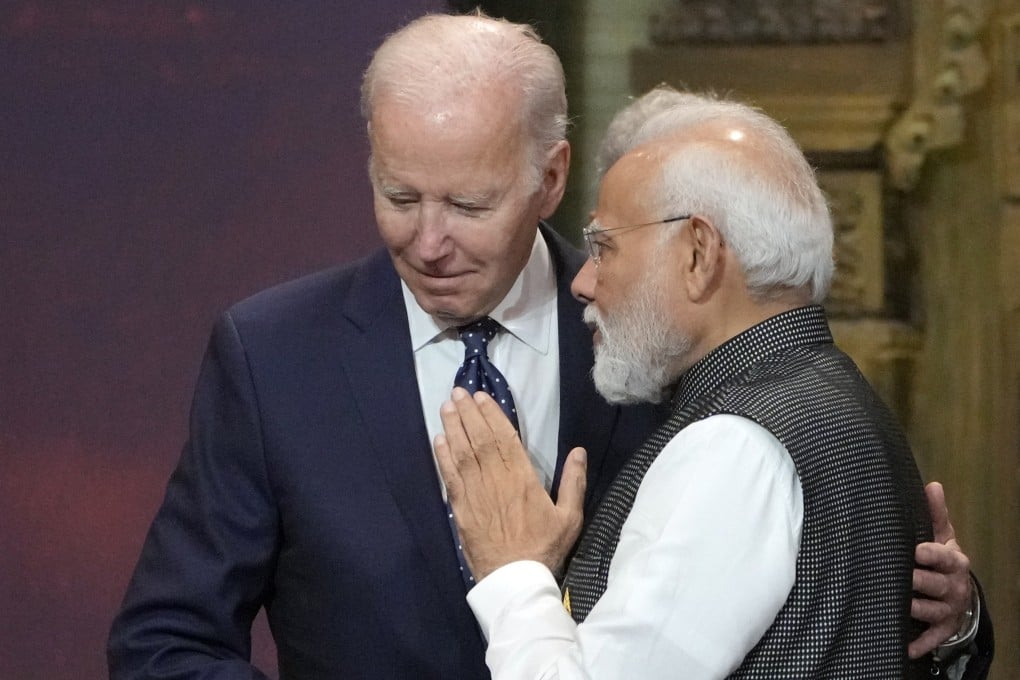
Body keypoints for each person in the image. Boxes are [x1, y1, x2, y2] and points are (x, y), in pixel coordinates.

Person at [107, 13, 982, 679]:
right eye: (399, 196)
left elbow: (822, 597)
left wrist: (953, 622)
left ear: (550, 178)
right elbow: (163, 643)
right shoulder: (272, 356)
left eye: (471, 205)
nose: (429, 240)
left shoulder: (662, 345)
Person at [435, 92, 992, 678]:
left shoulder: (734, 446)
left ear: (699, 254)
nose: (585, 281)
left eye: (604, 246)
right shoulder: (830, 392)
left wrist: (514, 572)